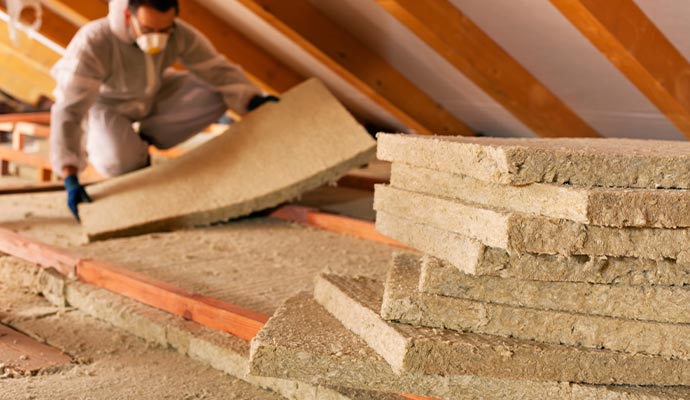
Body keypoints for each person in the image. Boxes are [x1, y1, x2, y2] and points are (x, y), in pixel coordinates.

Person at [50, 0, 278, 221]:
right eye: (148, 29)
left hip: (154, 92)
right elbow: (69, 109)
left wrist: (252, 99)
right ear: (129, 16)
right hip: (106, 105)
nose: (157, 37)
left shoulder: (179, 34)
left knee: (217, 90)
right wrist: (69, 174)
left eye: (164, 30)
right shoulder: (95, 40)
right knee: (119, 162)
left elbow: (216, 69)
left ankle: (144, 139)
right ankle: (130, 152)